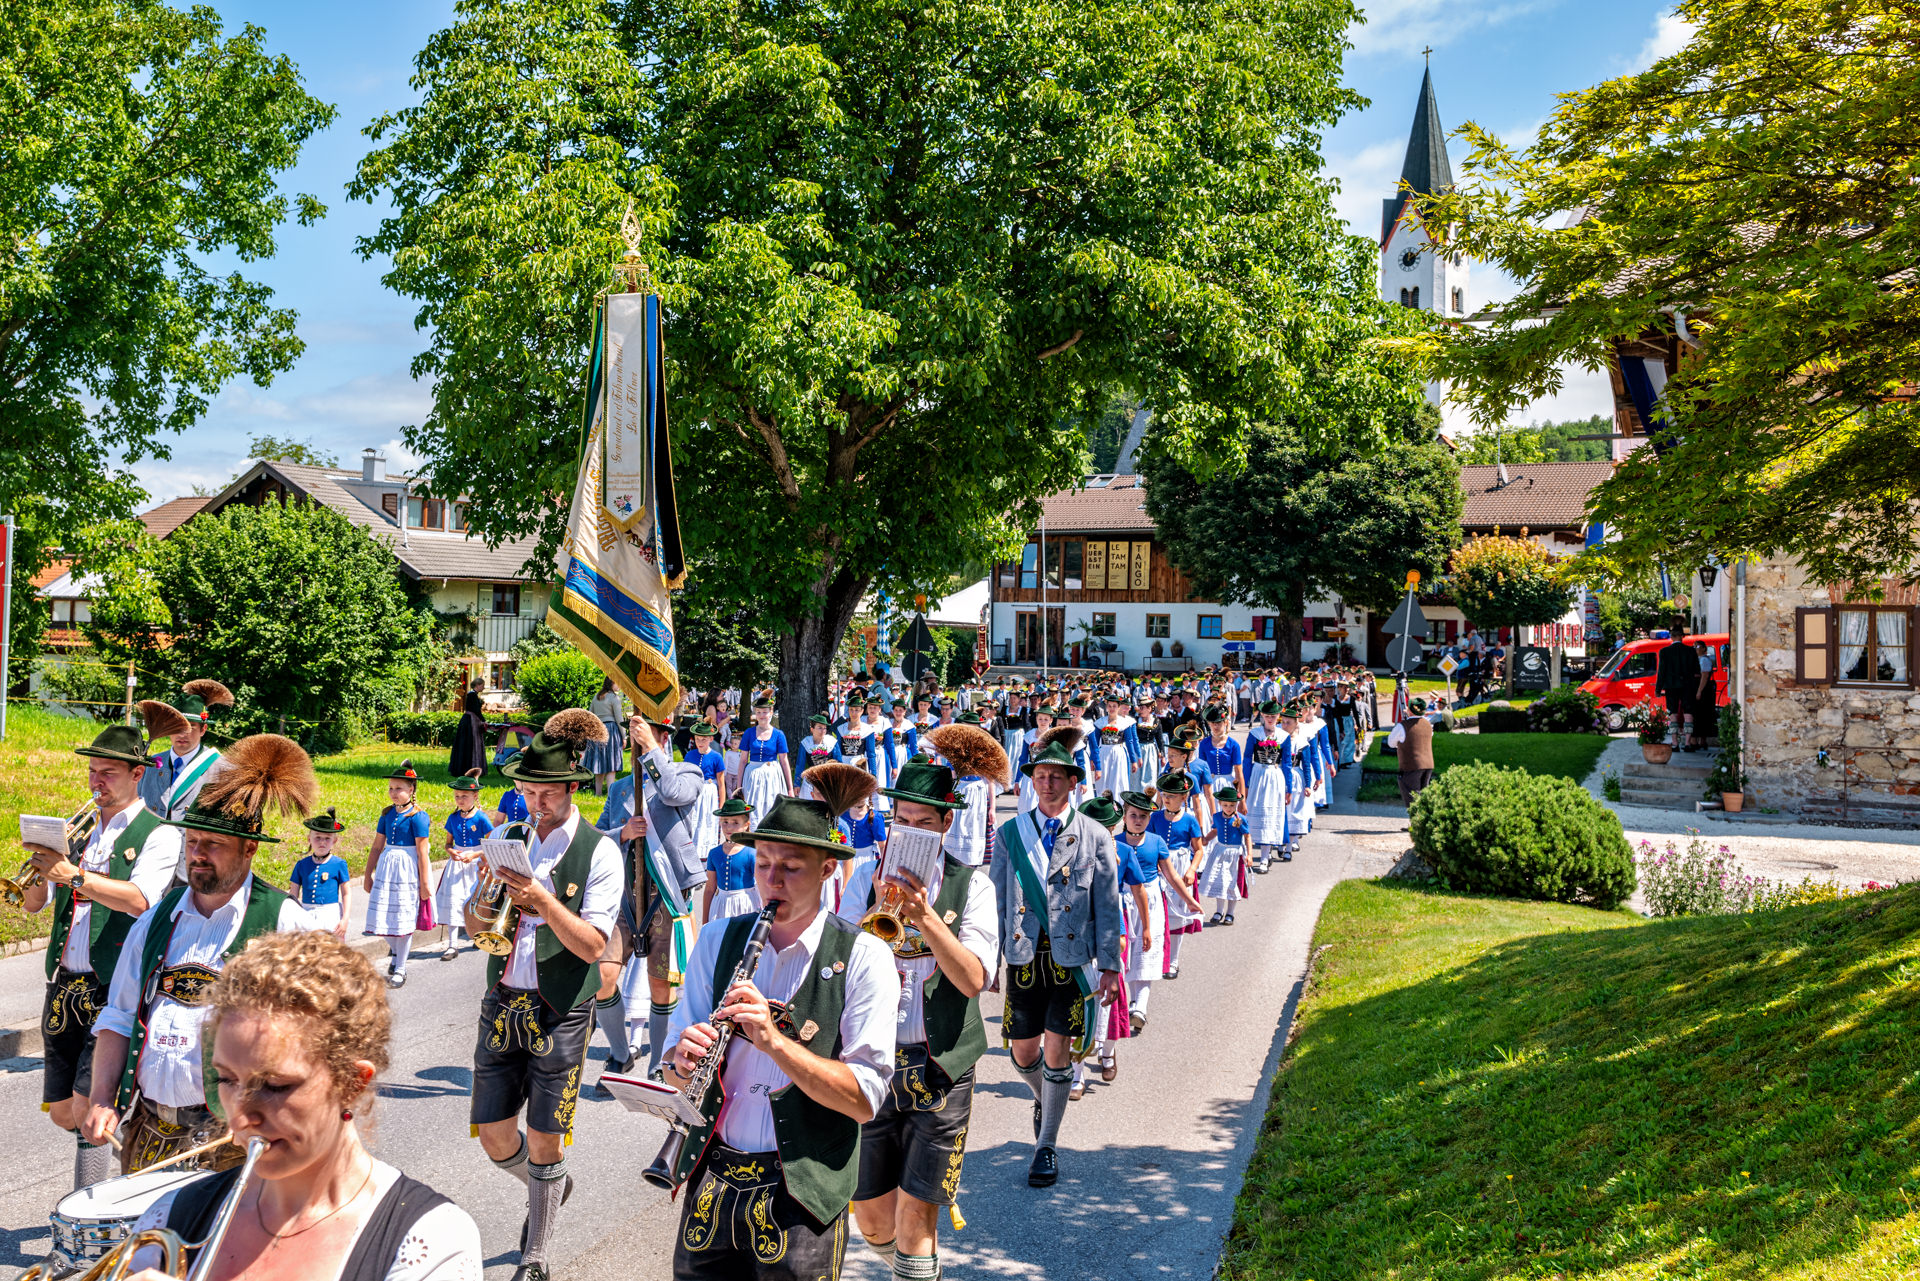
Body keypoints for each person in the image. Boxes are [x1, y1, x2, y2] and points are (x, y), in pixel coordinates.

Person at [125, 931, 483, 1281]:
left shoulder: (433, 1239)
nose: (241, 1117)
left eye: (275, 1086)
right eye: (227, 1080)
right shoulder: (173, 1215)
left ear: (352, 1083)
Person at [661, 781, 900, 1281]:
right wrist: (680, 1063)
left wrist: (773, 1041)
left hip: (802, 1189)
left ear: (827, 870)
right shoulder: (717, 939)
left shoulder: (865, 956)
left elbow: (864, 1100)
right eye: (763, 863)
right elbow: (671, 1071)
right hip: (713, 1174)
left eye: (790, 867)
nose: (772, 880)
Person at [85, 734, 324, 1174]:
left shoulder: (285, 923)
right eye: (192, 841)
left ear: (249, 848)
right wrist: (102, 1099)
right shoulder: (155, 921)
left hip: (238, 1139)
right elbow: (118, 1017)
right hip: (149, 1129)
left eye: (213, 844)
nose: (197, 855)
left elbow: (317, 1035)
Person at [465, 711, 624, 1281]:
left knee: (544, 1138)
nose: (535, 804)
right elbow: (474, 928)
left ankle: (536, 1255)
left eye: (547, 794)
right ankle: (552, 1188)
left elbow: (593, 945)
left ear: (572, 789)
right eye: (527, 792)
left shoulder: (599, 851)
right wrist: (482, 898)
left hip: (562, 1007)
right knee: (493, 1135)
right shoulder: (511, 837)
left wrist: (541, 899)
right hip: (503, 997)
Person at [839, 758, 998, 1281]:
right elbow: (835, 969)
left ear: (946, 823)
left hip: (941, 1067)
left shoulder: (972, 886)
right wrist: (875, 912)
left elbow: (974, 980)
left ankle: (915, 1269)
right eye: (902, 820)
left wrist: (925, 916)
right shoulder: (865, 878)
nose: (910, 831)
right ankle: (920, 1271)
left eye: (924, 823)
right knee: (872, 1220)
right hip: (872, 1063)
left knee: (916, 1217)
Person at [25, 714, 185, 1190]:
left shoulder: (159, 833)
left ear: (137, 774)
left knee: (89, 1107)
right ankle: (128, 1156)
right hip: (64, 984)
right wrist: (36, 871)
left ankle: (88, 1211)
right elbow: (34, 905)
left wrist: (75, 875)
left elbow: (140, 900)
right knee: (63, 1112)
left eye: (108, 773)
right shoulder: (77, 833)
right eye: (93, 771)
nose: (97, 781)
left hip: (112, 986)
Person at [989, 726, 1124, 1188]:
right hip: (1023, 959)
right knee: (1023, 1053)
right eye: (1040, 776)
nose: (1047, 783)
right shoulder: (1011, 834)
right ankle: (1046, 1097)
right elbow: (998, 900)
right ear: (1032, 781)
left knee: (1057, 1049)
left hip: (1071, 960)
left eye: (1056, 776)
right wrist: (990, 958)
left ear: (1073, 782)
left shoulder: (1095, 835)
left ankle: (1046, 1145)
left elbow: (1107, 903)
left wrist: (1110, 965)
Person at [595, 714, 709, 1079]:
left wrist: (650, 750)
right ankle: (619, 1053)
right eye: (634, 738)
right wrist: (623, 833)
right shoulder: (619, 788)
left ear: (663, 740)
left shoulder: (688, 773)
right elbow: (598, 838)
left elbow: (672, 793)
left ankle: (659, 1061)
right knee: (602, 976)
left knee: (661, 985)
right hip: (624, 894)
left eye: (646, 736)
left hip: (667, 893)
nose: (636, 743)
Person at [364, 761, 432, 990]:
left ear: (411, 789)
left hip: (407, 871)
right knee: (382, 916)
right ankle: (395, 952)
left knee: (403, 919)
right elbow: (376, 847)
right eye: (391, 788)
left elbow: (422, 853)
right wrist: (367, 874)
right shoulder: (387, 814)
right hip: (386, 870)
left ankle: (401, 967)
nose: (393, 793)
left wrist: (424, 883)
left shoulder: (418, 817)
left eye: (399, 788)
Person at [138, 679, 233, 824]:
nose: (182, 734)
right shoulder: (150, 765)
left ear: (203, 729)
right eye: (176, 727)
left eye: (190, 727)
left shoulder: (220, 769)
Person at [437, 769, 494, 960]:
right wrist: (451, 851)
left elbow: (491, 845)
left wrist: (475, 854)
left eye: (464, 796)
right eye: (457, 796)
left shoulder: (481, 818)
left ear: (475, 796)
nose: (460, 800)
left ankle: (477, 935)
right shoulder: (453, 818)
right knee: (454, 901)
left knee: (475, 899)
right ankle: (452, 945)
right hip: (457, 865)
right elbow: (448, 843)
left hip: (476, 864)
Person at [290, 808, 353, 939]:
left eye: (327, 838)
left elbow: (346, 892)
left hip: (330, 915)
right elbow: (293, 895)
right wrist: (294, 916)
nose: (322, 842)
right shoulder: (301, 865)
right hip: (306, 914)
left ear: (334, 841)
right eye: (317, 837)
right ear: (309, 839)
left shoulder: (339, 864)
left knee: (331, 948)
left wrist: (345, 918)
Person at [700, 800, 757, 923]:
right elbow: (709, 889)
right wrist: (705, 921)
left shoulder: (752, 853)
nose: (729, 827)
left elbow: (762, 888)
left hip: (745, 906)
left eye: (735, 822)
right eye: (725, 822)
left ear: (746, 825)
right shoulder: (714, 853)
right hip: (720, 906)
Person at [1199, 789, 1250, 924]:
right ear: (1220, 803)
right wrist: (1206, 839)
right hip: (1220, 852)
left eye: (1232, 805)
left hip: (1235, 854)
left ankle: (1230, 913)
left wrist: (1249, 855)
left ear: (1236, 804)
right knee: (1220, 882)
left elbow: (1247, 836)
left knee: (1232, 884)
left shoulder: (1240, 819)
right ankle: (1219, 911)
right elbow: (1215, 830)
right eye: (1225, 805)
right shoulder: (1217, 817)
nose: (1228, 808)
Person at [739, 698, 793, 823]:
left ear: (771, 712)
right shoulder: (749, 733)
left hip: (772, 775)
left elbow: (784, 761)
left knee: (771, 804)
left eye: (765, 712)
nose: (761, 715)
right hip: (752, 774)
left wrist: (790, 789)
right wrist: (738, 787)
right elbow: (742, 761)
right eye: (758, 712)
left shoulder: (778, 734)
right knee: (753, 805)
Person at [1657, 625, 1706, 752]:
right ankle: (1688, 743)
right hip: (1688, 686)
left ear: (1671, 637)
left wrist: (1658, 688)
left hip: (1671, 686)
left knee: (1673, 713)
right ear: (1682, 637)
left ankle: (1675, 743)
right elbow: (1697, 671)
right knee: (1688, 713)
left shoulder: (1664, 652)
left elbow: (1661, 672)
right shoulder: (1691, 651)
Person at [1386, 698, 1436, 806]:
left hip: (1411, 766)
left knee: (1413, 801)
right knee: (1424, 799)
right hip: (1428, 765)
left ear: (1410, 710)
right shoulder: (1428, 725)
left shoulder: (1403, 726)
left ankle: (1416, 816)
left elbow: (1391, 743)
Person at [585, 679, 626, 794]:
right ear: (611, 683)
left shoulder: (596, 696)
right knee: (611, 764)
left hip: (597, 730)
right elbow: (619, 719)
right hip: (611, 731)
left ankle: (598, 793)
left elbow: (590, 715)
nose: (619, 685)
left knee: (599, 763)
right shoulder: (614, 698)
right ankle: (610, 793)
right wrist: (624, 736)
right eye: (617, 682)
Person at [451, 676, 489, 782]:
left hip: (469, 721)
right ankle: (466, 768)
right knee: (468, 745)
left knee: (467, 745)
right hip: (469, 723)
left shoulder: (473, 695)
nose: (483, 687)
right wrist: (483, 720)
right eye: (482, 685)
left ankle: (466, 768)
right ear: (477, 685)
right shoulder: (472, 695)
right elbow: (476, 710)